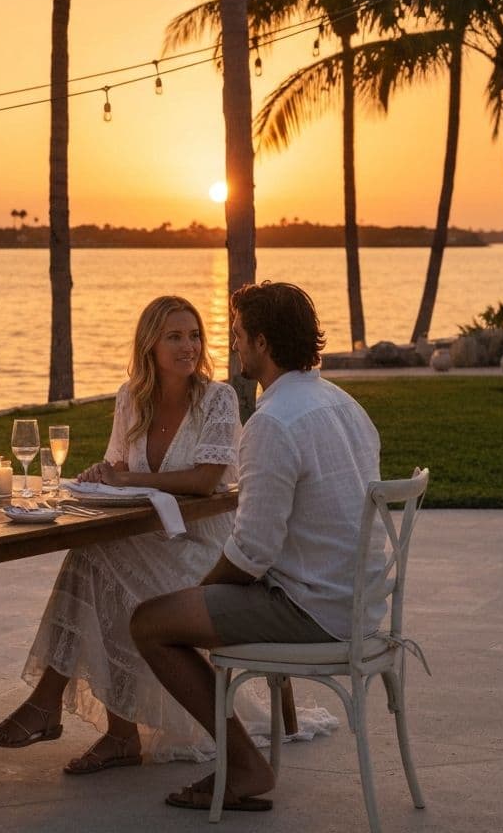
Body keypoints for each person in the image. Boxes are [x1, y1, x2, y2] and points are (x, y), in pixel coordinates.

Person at [130, 281, 382, 813]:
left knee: (151, 623)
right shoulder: (343, 403)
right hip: (358, 603)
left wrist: (200, 597)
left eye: (239, 335)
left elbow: (251, 552)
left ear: (263, 343)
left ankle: (245, 764)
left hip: (310, 610)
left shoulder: (273, 422)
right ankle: (241, 756)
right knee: (181, 612)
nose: (234, 346)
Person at [0, 294, 242, 772]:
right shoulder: (131, 397)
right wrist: (107, 471)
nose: (189, 346)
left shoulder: (217, 398)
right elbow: (121, 464)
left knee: (95, 560)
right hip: (149, 538)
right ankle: (95, 726)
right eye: (175, 336)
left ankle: (69, 713)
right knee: (96, 560)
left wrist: (131, 479)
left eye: (195, 334)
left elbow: (206, 480)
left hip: (202, 546)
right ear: (150, 345)